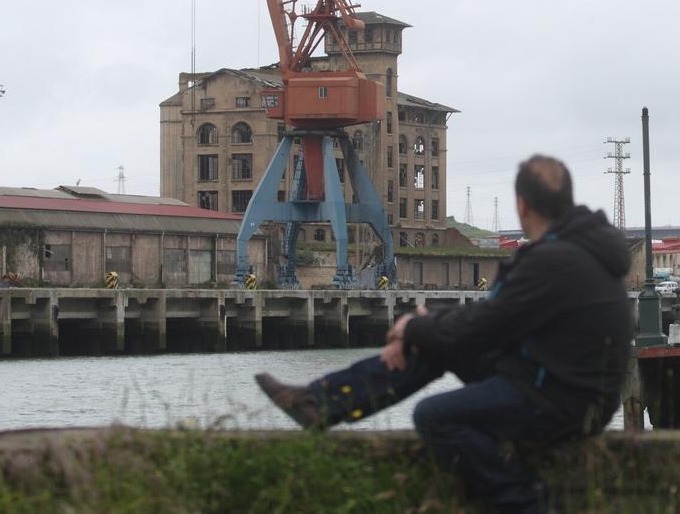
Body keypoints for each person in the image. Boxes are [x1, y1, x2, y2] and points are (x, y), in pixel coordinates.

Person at [256, 155, 632, 513]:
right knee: (433, 346)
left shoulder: (554, 260)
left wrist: (416, 326)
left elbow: (486, 327)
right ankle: (318, 403)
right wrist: (424, 325)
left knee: (436, 416)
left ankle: (529, 504)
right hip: (563, 387)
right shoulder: (576, 250)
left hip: (563, 402)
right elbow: (491, 319)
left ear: (522, 205)